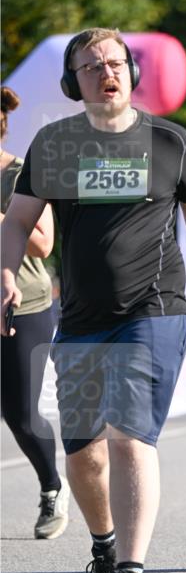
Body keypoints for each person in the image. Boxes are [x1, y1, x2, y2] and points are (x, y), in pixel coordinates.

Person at [1, 27, 186, 573]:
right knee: (83, 453)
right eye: (90, 66)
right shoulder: (54, 145)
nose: (105, 72)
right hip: (81, 319)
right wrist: (6, 273)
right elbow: (17, 222)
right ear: (72, 83)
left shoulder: (171, 141)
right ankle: (105, 549)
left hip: (154, 310)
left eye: (115, 62)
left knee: (130, 435)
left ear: (132, 74)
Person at [1, 87, 70, 538]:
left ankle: (51, 488)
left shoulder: (19, 172)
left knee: (20, 414)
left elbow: (43, 242)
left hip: (22, 303)